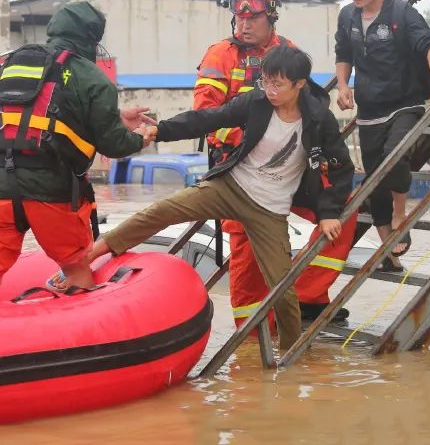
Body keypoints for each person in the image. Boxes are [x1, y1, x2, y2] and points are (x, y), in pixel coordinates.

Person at [89, 45, 353, 351]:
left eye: (277, 84)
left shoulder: (319, 118)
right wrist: (160, 131)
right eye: (265, 81)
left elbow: (342, 168)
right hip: (231, 187)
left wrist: (329, 212)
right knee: (161, 211)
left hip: (270, 210)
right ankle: (92, 254)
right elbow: (208, 119)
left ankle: (291, 360)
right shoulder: (256, 101)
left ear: (300, 84)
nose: (269, 90)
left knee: (283, 291)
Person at [0, 1, 153, 305]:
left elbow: (39, 117)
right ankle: (86, 337)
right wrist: (141, 139)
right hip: (52, 193)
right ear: (93, 37)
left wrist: (117, 118)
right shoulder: (92, 77)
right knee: (76, 268)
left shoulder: (13, 64)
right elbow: (113, 145)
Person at [194, 0, 357, 324]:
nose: (245, 23)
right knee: (247, 258)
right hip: (242, 173)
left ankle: (306, 296)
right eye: (240, 16)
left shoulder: (289, 52)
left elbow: (312, 105)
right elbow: (206, 116)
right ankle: (249, 342)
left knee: (346, 204)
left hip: (291, 167)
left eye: (254, 17)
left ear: (271, 16)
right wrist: (247, 140)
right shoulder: (221, 55)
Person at [335, 0, 430, 271]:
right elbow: (343, 53)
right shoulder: (347, 16)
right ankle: (389, 246)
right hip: (369, 109)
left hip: (406, 103)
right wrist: (343, 85)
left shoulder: (400, 13)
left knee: (394, 157)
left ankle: (402, 213)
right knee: (374, 182)